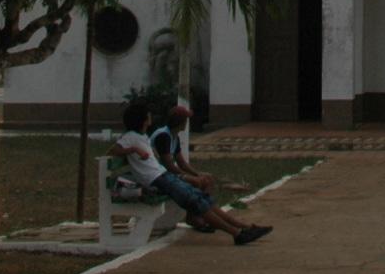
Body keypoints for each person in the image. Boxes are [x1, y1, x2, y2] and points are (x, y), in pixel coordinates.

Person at [110, 98, 270, 246]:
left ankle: (245, 227)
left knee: (203, 199)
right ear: (144, 120)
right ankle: (237, 233)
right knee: (198, 202)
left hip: (164, 177)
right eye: (148, 115)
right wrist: (135, 149)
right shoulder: (131, 136)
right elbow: (113, 150)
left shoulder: (142, 135)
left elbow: (178, 162)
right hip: (158, 180)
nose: (150, 116)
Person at [150, 100, 221, 233]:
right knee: (196, 182)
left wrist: (197, 173)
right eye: (185, 120)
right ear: (180, 122)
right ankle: (193, 217)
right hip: (160, 176)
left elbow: (181, 162)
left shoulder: (174, 136)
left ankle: (198, 215)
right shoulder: (163, 136)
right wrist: (188, 176)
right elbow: (168, 165)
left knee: (206, 179)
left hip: (167, 173)